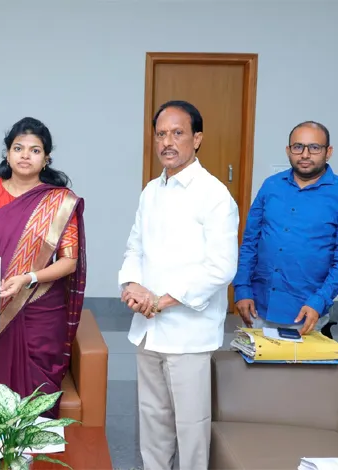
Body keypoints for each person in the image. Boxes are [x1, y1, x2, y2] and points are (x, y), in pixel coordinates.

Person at [118, 100, 238, 470]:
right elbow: (135, 247)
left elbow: (221, 267)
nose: (167, 142)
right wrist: (132, 286)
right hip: (148, 327)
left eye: (177, 133)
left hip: (188, 331)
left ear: (197, 138)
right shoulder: (151, 191)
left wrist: (163, 301)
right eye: (161, 134)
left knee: (190, 426)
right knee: (152, 419)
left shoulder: (214, 195)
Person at [0, 116, 86, 418]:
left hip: (39, 306)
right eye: (18, 148)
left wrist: (28, 277)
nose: (25, 155)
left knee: (35, 387)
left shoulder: (59, 201)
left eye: (35, 150)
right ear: (7, 154)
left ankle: (33, 442)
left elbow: (69, 262)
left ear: (46, 158)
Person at [233, 121, 338, 336]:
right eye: (298, 147)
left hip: (306, 311)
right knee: (254, 359)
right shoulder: (271, 186)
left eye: (314, 147)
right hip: (258, 306)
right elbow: (250, 243)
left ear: (328, 152)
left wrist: (319, 301)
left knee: (297, 360)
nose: (305, 154)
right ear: (288, 150)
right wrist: (242, 288)